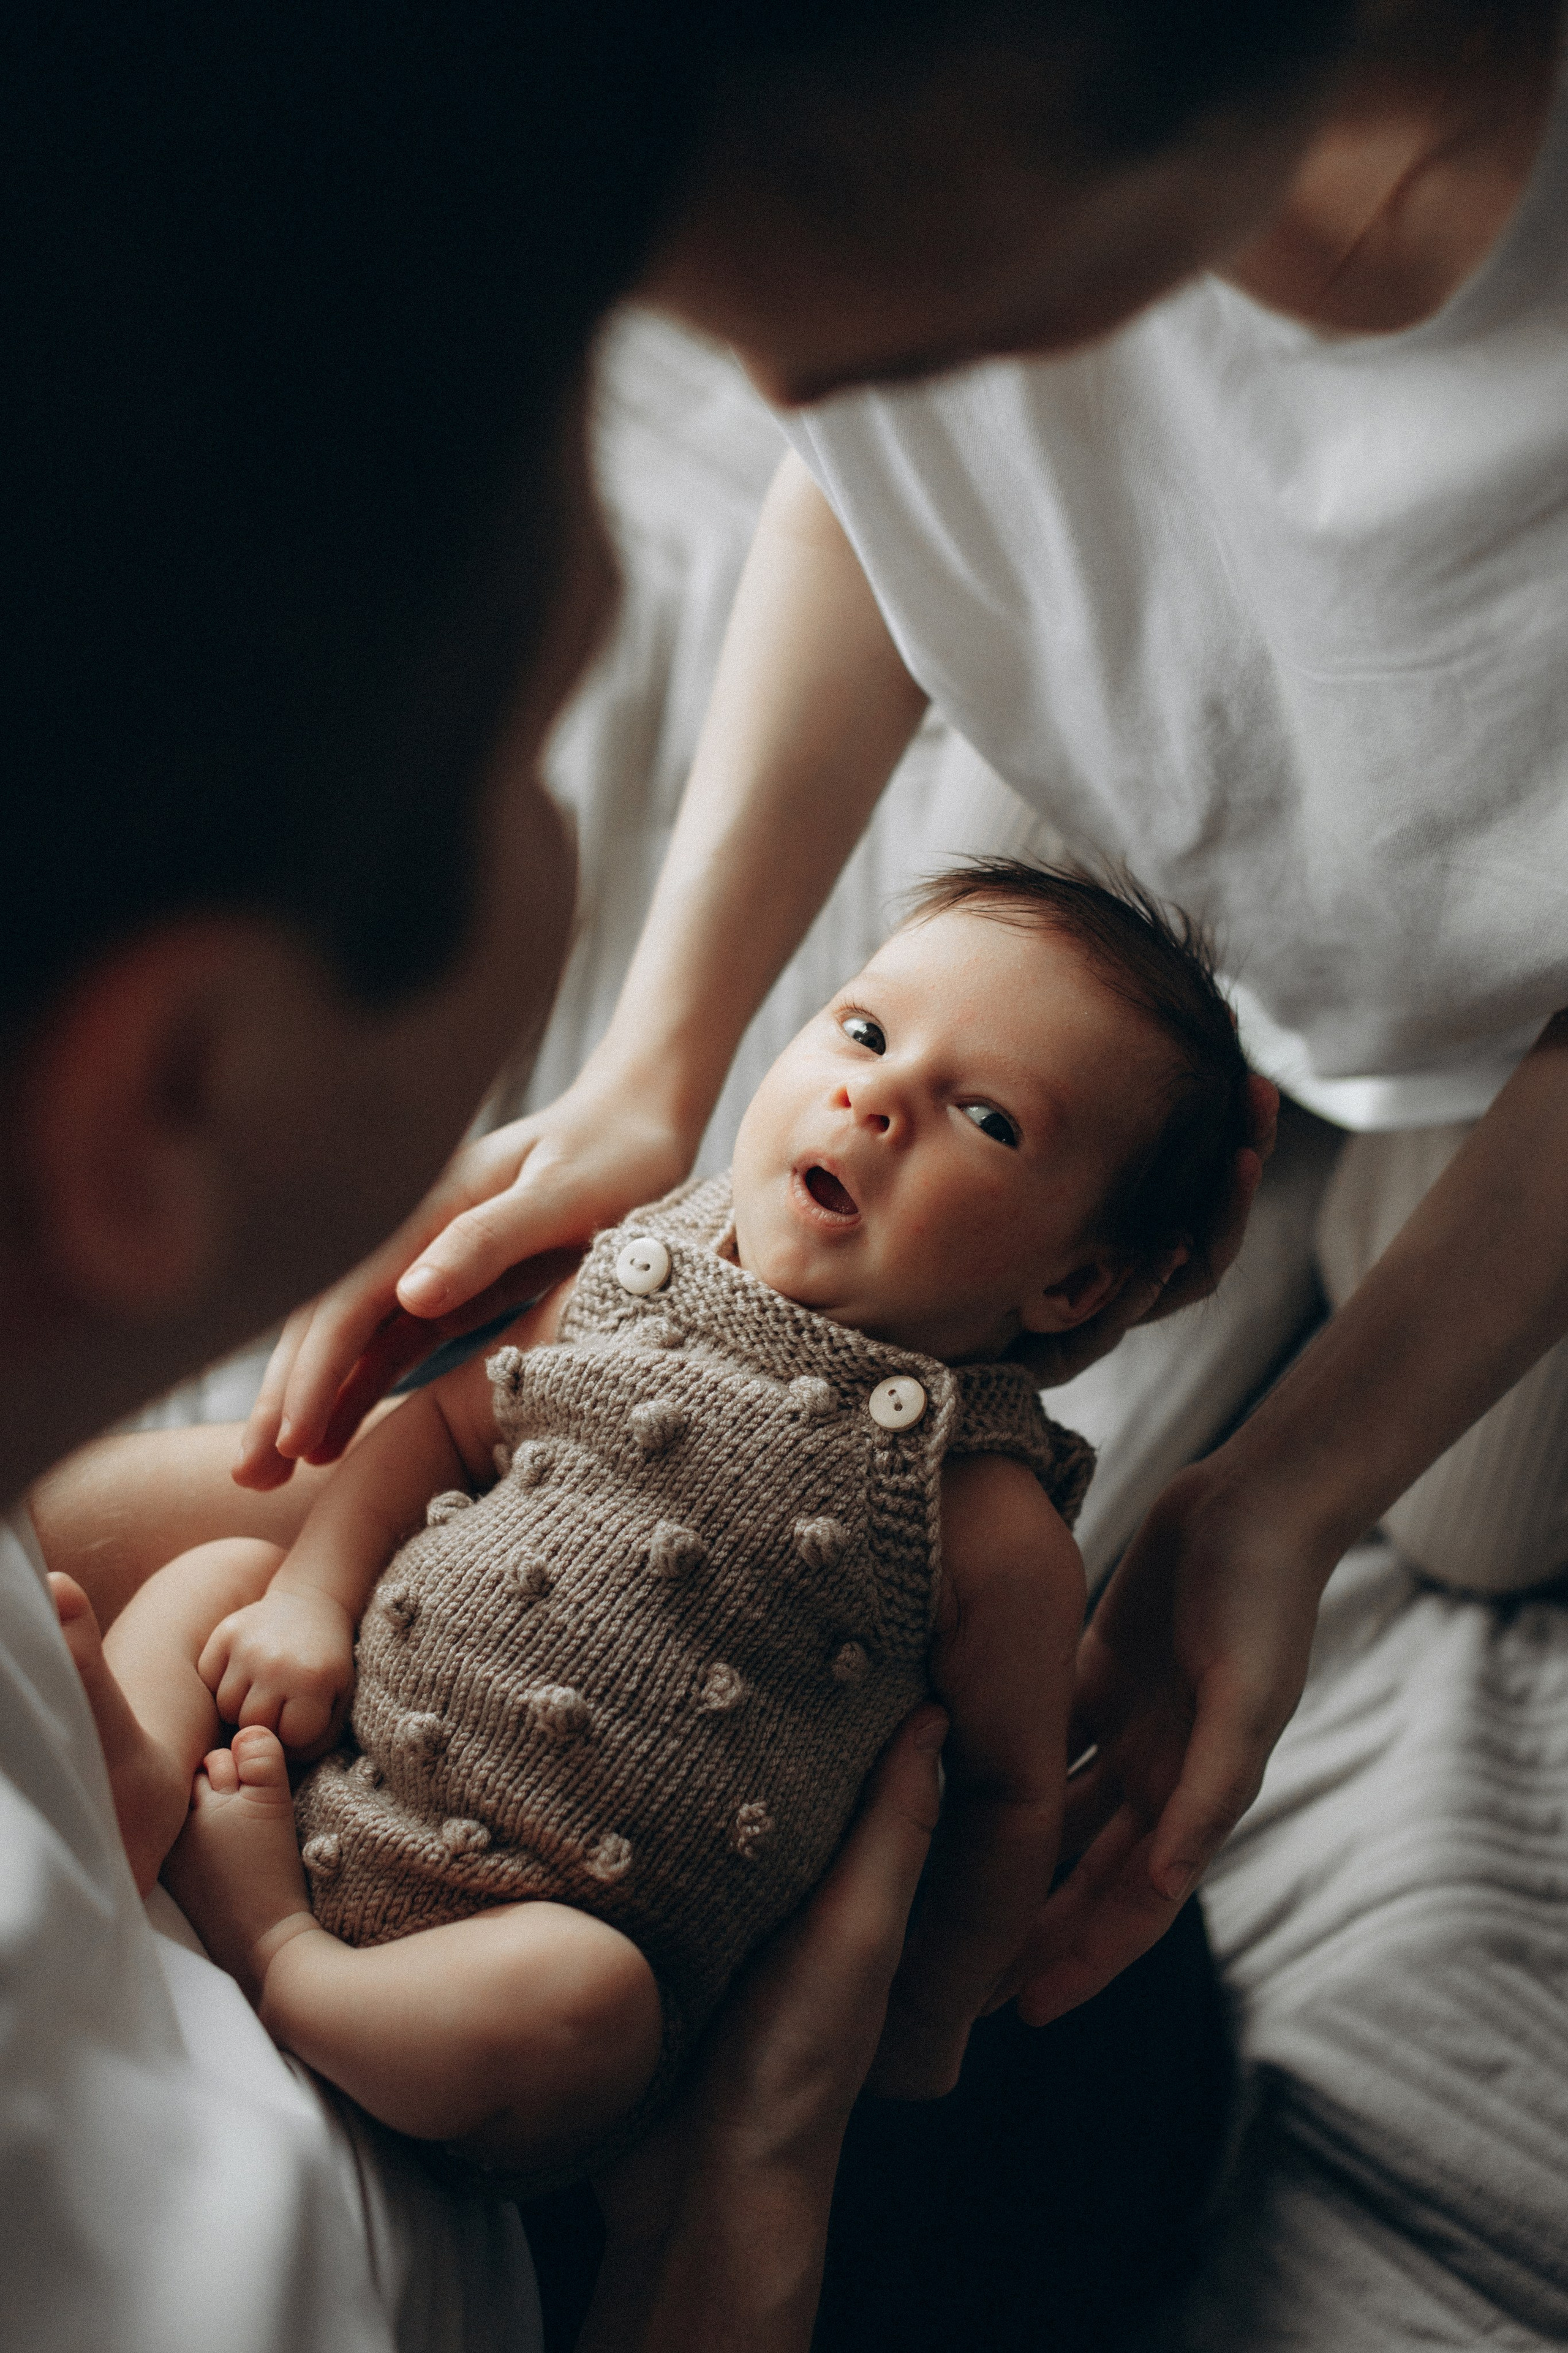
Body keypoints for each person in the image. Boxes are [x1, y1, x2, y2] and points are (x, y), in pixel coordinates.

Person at [246, 0, 1568, 2046]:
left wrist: (1295, 1481)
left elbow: (1004, 1804)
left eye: (878, 352)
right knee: (998, 1010)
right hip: (1130, 771)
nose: (790, 400)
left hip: (1507, 975)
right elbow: (876, 487)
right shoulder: (883, 149)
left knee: (1475, 1528)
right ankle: (1167, 1117)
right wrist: (648, 1069)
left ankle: (1315, 1161)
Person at [37, 866, 1249, 2196]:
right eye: (863, 1030)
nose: (879, 1095)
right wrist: (309, 1605)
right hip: (316, 1746)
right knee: (226, 1572)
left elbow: (1011, 1796)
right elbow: (437, 1432)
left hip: (531, 1934)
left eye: (988, 1117)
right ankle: (148, 1775)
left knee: (588, 2004)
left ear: (1070, 1280)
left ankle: (282, 1960)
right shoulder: (628, 1271)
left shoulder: (981, 1514)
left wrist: (919, 2026)